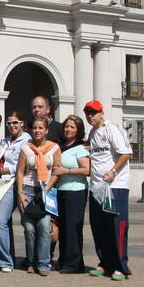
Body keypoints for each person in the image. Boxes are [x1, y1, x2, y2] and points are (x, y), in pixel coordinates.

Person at [83, 99, 132, 280]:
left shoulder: (112, 129)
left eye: (93, 113)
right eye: (87, 113)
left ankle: (121, 267)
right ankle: (104, 263)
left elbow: (125, 153)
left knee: (116, 226)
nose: (90, 116)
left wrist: (113, 171)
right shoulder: (93, 132)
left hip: (115, 186)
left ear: (101, 113)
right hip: (97, 187)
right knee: (99, 226)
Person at [15, 117, 60, 275]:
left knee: (44, 226)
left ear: (46, 130)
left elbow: (56, 171)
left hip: (45, 190)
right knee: (29, 228)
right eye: (34, 128)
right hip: (27, 189)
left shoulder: (54, 148)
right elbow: (20, 171)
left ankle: (43, 263)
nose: (37, 131)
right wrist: (20, 193)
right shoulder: (26, 148)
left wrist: (46, 188)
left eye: (41, 128)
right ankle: (31, 261)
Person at [0, 110, 30, 272]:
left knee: (4, 220)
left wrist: (4, 170)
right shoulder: (5, 141)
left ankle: (8, 260)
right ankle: (6, 258)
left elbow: (26, 165)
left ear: (22, 124)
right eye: (9, 123)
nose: (12, 126)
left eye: (15, 122)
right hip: (3, 184)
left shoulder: (27, 141)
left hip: (18, 184)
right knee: (3, 221)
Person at [52, 115, 91, 273]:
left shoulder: (80, 148)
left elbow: (87, 170)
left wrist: (66, 171)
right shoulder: (61, 146)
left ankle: (75, 263)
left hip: (76, 191)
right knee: (63, 227)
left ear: (78, 130)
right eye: (66, 126)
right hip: (61, 190)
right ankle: (64, 259)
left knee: (73, 228)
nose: (68, 129)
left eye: (72, 127)